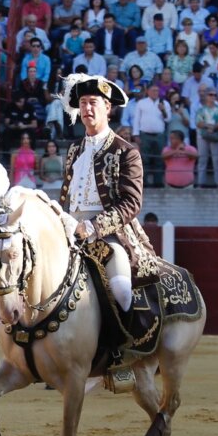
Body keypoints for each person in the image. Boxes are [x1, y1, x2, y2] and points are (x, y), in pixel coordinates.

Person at [58, 74, 160, 373]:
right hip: (70, 229)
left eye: (94, 103)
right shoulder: (74, 150)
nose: (87, 109)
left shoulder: (126, 151)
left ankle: (124, 354)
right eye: (83, 104)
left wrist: (92, 227)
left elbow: (131, 203)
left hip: (110, 233)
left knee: (121, 290)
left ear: (107, 108)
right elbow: (67, 197)